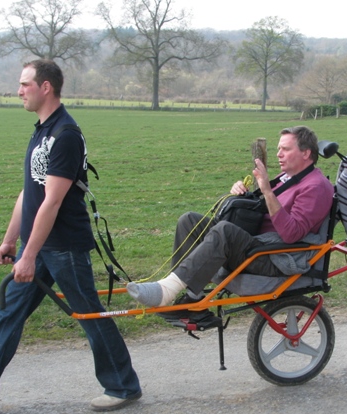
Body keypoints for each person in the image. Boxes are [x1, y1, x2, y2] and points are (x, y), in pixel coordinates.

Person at [0, 60, 142, 414]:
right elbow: (29, 191)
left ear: (46, 87)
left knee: (89, 314)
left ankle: (123, 385)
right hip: (38, 245)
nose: (19, 91)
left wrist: (29, 255)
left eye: (25, 84)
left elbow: (53, 201)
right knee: (10, 313)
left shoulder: (65, 135)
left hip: (63, 244)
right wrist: (11, 239)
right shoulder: (42, 132)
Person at [126, 126, 333, 314]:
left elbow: (291, 234)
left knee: (224, 231)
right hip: (259, 245)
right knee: (190, 221)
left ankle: (166, 292)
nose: (279, 154)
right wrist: (242, 194)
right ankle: (189, 296)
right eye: (279, 148)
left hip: (277, 258)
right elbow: (264, 209)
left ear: (306, 153)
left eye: (286, 149)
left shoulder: (315, 187)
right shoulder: (288, 177)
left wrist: (266, 191)